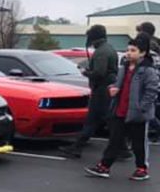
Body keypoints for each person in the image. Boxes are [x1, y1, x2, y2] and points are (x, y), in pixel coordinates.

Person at [85, 33, 159, 181]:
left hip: (137, 113)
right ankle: (104, 167)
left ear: (143, 53)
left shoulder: (148, 70)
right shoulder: (124, 67)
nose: (129, 53)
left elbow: (152, 91)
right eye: (128, 50)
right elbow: (119, 84)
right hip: (120, 109)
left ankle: (142, 169)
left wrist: (142, 107)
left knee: (139, 143)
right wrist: (113, 89)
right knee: (114, 140)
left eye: (133, 50)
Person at [58, 25, 118, 158]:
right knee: (104, 119)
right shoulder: (109, 49)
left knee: (94, 120)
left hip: (101, 90)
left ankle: (77, 147)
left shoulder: (101, 52)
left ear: (93, 37)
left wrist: (86, 72)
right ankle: (121, 148)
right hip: (107, 88)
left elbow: (99, 73)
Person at [136, 22, 160, 141]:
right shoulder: (155, 43)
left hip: (149, 82)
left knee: (148, 110)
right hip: (153, 81)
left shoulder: (149, 46)